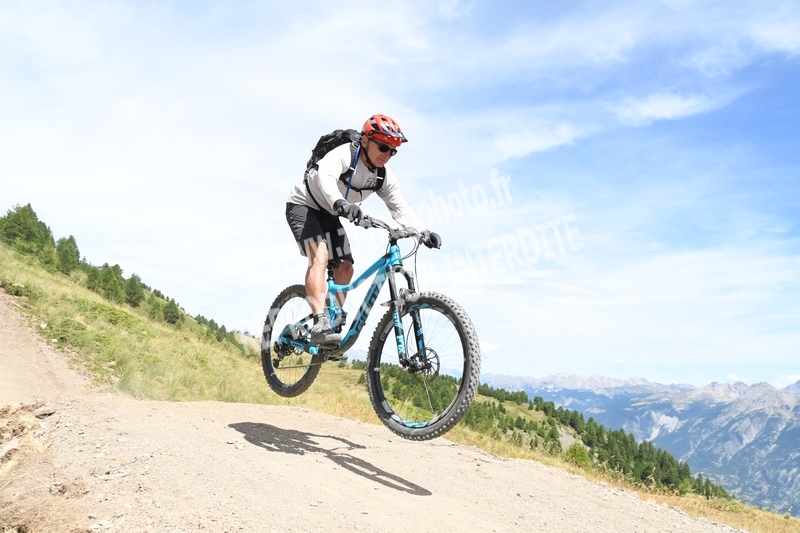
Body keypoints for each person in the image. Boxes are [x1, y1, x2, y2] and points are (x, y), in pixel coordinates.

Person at [285, 113, 441, 346]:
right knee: (320, 256)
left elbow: (400, 207)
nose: (387, 155)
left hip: (331, 213)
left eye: (393, 151)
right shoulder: (344, 154)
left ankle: (332, 323)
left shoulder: (382, 176)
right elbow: (326, 178)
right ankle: (319, 323)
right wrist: (341, 203)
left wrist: (422, 231)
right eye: (383, 147)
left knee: (346, 267)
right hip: (304, 205)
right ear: (366, 140)